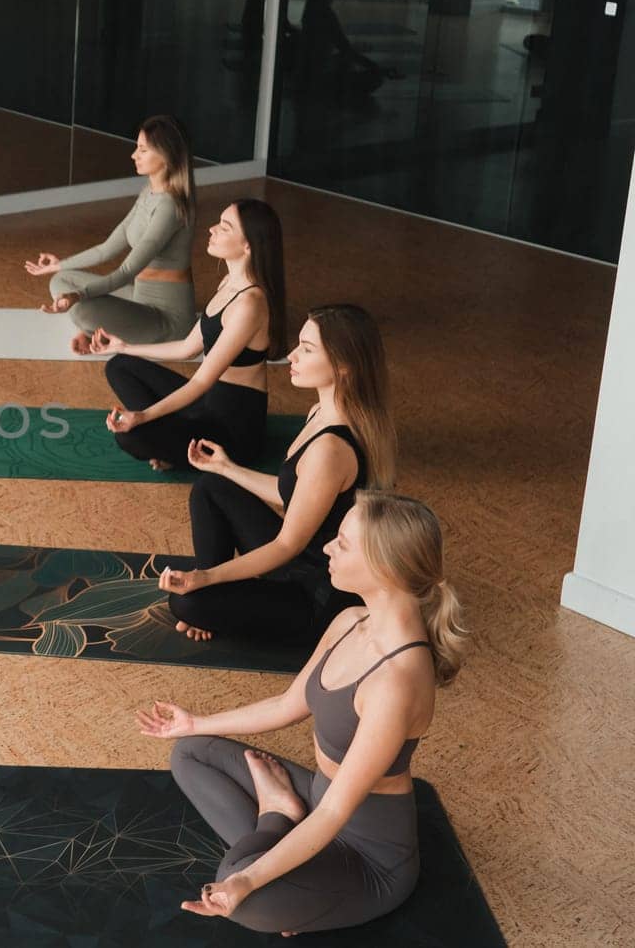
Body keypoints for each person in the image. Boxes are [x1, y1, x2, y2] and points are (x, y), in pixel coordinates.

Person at [139, 491, 467, 935]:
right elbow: (287, 704)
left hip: (369, 858)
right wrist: (194, 723)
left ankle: (276, 815)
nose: (328, 547)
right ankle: (282, 823)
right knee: (190, 753)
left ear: (384, 568)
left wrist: (246, 881)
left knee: (243, 901)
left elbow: (334, 815)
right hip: (318, 799)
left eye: (343, 543)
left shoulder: (397, 681)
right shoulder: (351, 620)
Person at [159, 304, 396, 645]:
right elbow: (296, 497)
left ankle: (212, 599)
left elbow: (286, 544)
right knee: (211, 486)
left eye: (307, 349)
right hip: (301, 560)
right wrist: (227, 468)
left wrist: (205, 578)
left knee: (185, 602)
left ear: (343, 367)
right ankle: (217, 597)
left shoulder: (331, 449)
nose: (291, 356)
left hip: (318, 593)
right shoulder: (321, 413)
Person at [91, 198, 286, 470]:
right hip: (205, 404)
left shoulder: (250, 304)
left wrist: (143, 416)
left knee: (131, 438)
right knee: (120, 366)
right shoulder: (228, 282)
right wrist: (124, 347)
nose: (212, 230)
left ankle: (175, 446)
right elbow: (186, 347)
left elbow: (200, 382)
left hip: (233, 432)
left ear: (248, 245)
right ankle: (172, 438)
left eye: (225, 227)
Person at [23, 115, 197, 346]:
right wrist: (59, 264)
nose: (134, 155)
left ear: (166, 155)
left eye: (142, 150)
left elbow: (125, 271)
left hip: (165, 320)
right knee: (62, 279)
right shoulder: (148, 193)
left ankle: (95, 328)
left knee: (81, 309)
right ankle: (103, 327)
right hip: (138, 296)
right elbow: (106, 249)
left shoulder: (170, 206)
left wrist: (78, 296)